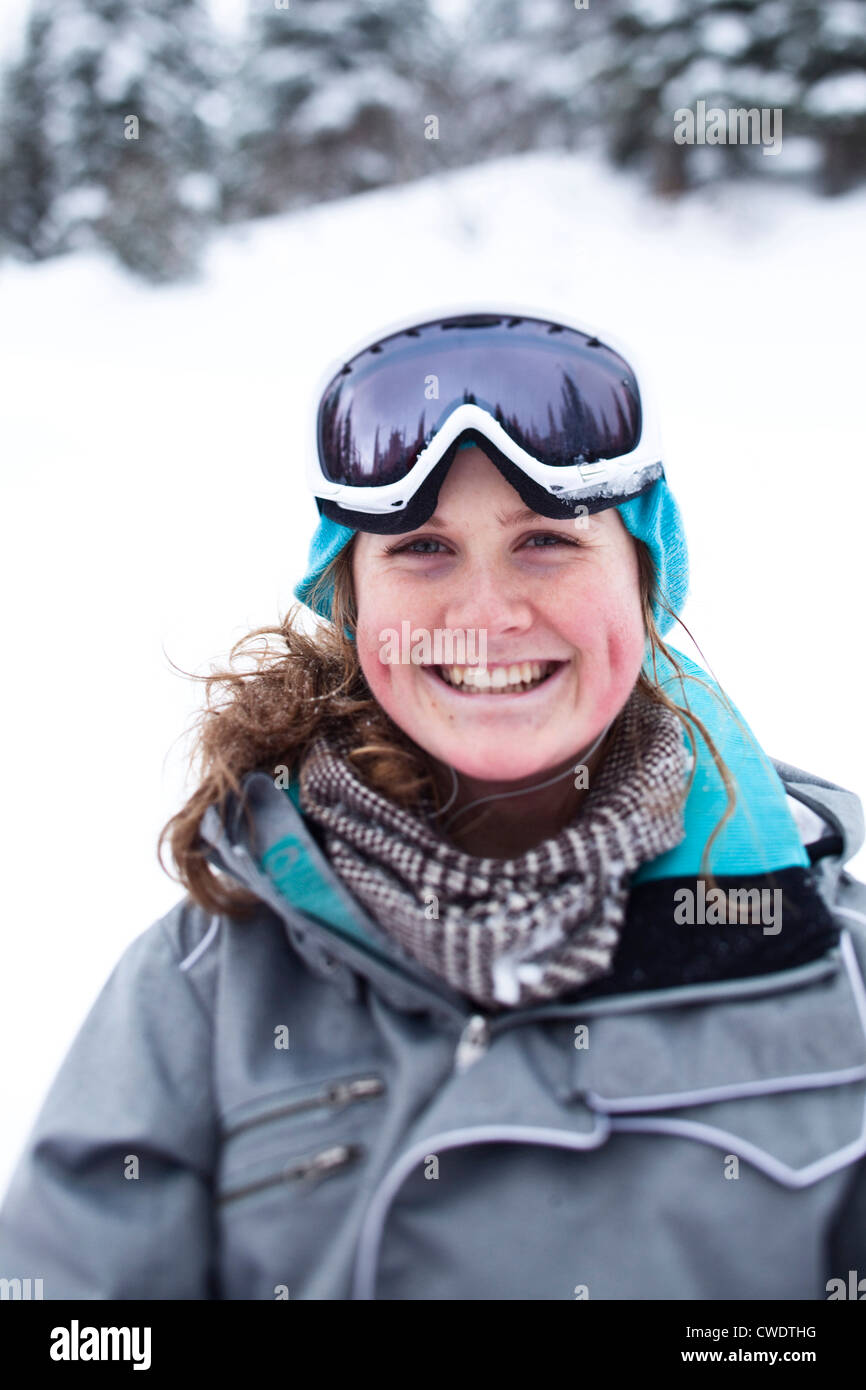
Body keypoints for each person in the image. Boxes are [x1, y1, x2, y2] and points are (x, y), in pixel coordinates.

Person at [2, 304, 866, 1301]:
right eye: (422, 548)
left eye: (545, 539)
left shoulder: (822, 967)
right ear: (350, 598)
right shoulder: (210, 984)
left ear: (644, 580)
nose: (487, 616)